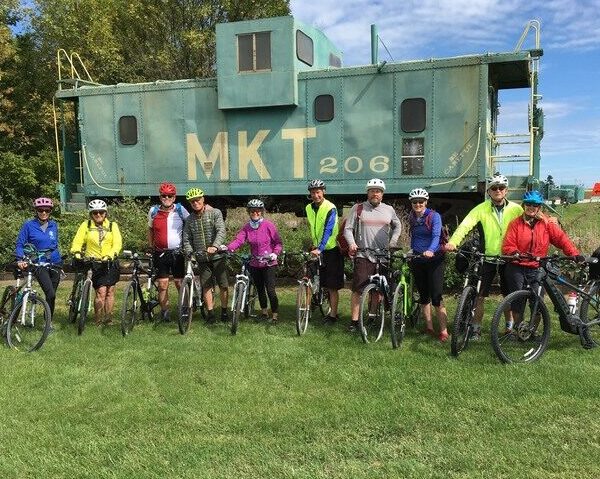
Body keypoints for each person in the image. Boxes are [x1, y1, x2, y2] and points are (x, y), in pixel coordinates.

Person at [445, 173, 522, 340]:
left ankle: (509, 328)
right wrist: (453, 242)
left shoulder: (517, 209)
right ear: (489, 191)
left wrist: (548, 220)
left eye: (501, 188)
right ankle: (476, 329)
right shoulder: (481, 209)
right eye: (494, 188)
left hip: (508, 258)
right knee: (480, 296)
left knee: (508, 295)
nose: (498, 190)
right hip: (486, 257)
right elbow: (465, 225)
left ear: (506, 191)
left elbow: (531, 221)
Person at [502, 190, 580, 332]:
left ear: (539, 207)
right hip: (517, 267)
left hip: (537, 267)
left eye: (535, 205)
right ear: (524, 205)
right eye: (529, 204)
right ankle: (519, 329)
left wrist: (574, 254)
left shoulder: (546, 224)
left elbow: (561, 239)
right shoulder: (515, 224)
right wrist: (514, 252)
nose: (531, 207)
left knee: (537, 302)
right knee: (517, 301)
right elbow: (508, 244)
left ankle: (532, 331)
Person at [344, 178, 401, 332]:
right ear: (367, 193)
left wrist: (393, 241)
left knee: (378, 289)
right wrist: (351, 243)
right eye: (372, 191)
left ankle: (372, 316)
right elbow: (348, 229)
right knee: (358, 289)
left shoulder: (389, 209)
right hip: (364, 254)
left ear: (382, 194)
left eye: (378, 191)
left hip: (383, 255)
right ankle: (354, 322)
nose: (375, 194)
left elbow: (397, 225)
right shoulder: (358, 208)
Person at [225, 199, 283, 323]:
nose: (255, 213)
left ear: (261, 212)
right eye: (252, 211)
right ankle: (264, 313)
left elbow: (278, 243)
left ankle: (275, 315)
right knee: (260, 289)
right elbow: (239, 240)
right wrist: (229, 248)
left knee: (270, 290)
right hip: (255, 263)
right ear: (249, 212)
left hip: (269, 263)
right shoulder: (247, 227)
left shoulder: (268, 225)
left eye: (257, 211)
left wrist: (275, 253)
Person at [70, 199, 122, 326]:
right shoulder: (86, 225)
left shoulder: (112, 226)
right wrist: (76, 251)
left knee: (110, 291)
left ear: (105, 213)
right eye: (95, 213)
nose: (98, 215)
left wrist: (110, 254)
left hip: (109, 261)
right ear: (91, 214)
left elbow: (117, 243)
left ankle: (108, 319)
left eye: (101, 212)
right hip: (93, 262)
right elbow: (78, 241)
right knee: (101, 291)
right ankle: (98, 320)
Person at [407, 188, 449, 342]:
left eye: (420, 202)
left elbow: (436, 235)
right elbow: (414, 237)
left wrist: (431, 250)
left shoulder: (434, 216)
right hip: (418, 259)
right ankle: (429, 328)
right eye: (414, 202)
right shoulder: (412, 216)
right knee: (424, 297)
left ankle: (444, 331)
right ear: (411, 203)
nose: (418, 204)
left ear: (426, 202)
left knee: (436, 296)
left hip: (434, 259)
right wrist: (411, 251)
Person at [182, 187, 228, 324]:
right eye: (192, 202)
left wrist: (215, 246)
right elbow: (186, 238)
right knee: (206, 286)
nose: (195, 203)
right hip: (202, 258)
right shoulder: (189, 219)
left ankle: (225, 311)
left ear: (203, 199)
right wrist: (189, 251)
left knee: (223, 285)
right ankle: (211, 313)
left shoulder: (215, 213)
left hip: (218, 257)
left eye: (197, 200)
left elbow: (221, 231)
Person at [15, 197, 63, 324]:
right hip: (38, 263)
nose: (43, 213)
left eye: (47, 210)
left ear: (50, 211)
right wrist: (20, 259)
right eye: (40, 210)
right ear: (36, 211)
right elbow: (20, 244)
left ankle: (48, 320)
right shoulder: (29, 225)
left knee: (51, 296)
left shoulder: (54, 225)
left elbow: (54, 244)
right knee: (50, 293)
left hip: (55, 263)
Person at [147, 182, 190, 322]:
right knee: (162, 284)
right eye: (164, 195)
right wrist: (150, 246)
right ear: (160, 197)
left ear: (174, 197)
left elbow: (191, 223)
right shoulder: (153, 211)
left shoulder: (180, 210)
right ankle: (165, 311)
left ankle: (184, 308)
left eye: (170, 196)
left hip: (177, 253)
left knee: (179, 282)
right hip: (160, 253)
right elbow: (150, 230)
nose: (167, 198)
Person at [305, 179, 345, 324]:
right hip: (317, 248)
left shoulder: (330, 208)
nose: (316, 195)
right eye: (313, 193)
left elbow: (328, 229)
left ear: (323, 192)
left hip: (331, 249)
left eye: (318, 192)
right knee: (315, 279)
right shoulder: (308, 208)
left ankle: (333, 315)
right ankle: (313, 304)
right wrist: (314, 246)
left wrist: (320, 248)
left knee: (332, 286)